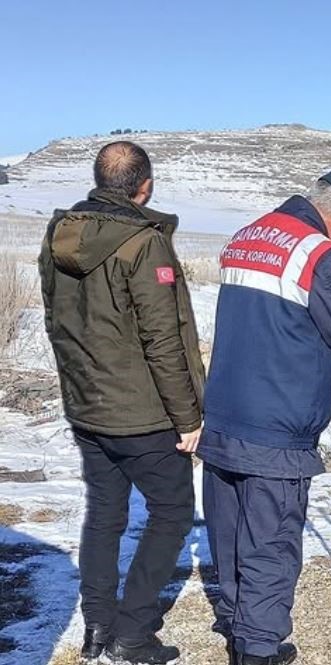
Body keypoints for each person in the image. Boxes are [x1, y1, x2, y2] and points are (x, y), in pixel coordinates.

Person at [199, 171, 331, 665]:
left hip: (224, 415)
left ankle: (240, 628)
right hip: (277, 425)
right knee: (270, 546)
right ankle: (257, 649)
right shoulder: (317, 255)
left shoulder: (249, 235)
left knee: (231, 537)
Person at [38, 141, 205, 664]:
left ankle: (97, 627)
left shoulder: (59, 234)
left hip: (87, 403)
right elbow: (163, 338)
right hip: (141, 412)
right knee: (174, 511)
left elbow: (57, 320)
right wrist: (188, 417)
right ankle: (131, 632)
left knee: (105, 514)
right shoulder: (142, 243)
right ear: (145, 186)